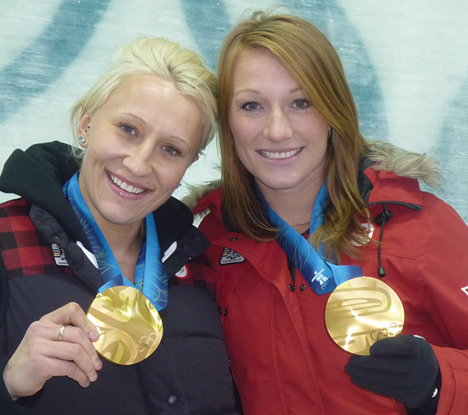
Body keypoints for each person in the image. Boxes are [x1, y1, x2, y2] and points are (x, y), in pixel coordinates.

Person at [189, 11, 468, 415]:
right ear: (227, 122)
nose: (278, 130)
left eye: (301, 102)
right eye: (252, 105)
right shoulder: (209, 244)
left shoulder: (418, 228)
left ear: (333, 110)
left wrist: (440, 382)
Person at [0, 36, 239, 415]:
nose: (139, 164)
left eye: (171, 149)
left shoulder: (202, 267)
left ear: (189, 165)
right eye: (128, 129)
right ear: (87, 124)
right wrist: (7, 381)